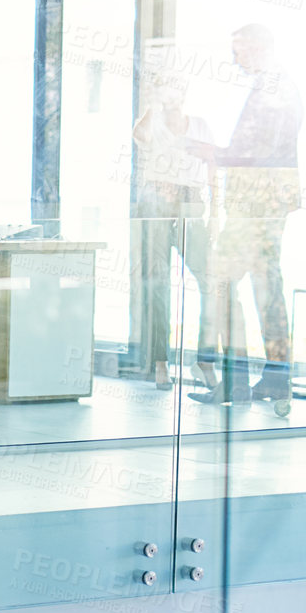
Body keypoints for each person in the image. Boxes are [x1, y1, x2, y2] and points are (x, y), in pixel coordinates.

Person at [189, 24, 304, 407]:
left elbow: (259, 149)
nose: (235, 59)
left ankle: (238, 377)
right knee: (265, 283)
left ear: (257, 48)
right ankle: (274, 377)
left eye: (239, 50)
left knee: (221, 280)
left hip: (257, 203)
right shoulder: (277, 85)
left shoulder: (273, 89)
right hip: (265, 201)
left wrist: (213, 154)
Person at [131, 71, 217, 391]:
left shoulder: (201, 125)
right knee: (157, 283)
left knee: (210, 280)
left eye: (175, 90)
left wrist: (216, 212)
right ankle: (160, 363)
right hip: (155, 201)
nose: (171, 97)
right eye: (166, 91)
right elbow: (138, 134)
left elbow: (212, 166)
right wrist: (153, 102)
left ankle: (204, 360)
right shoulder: (152, 122)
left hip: (191, 202)